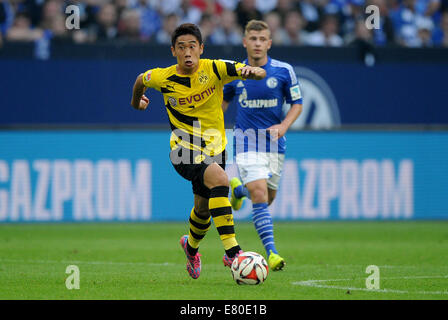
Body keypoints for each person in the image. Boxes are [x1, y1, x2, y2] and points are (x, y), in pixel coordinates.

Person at [130, 23, 266, 279]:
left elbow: (251, 70)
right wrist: (137, 102)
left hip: (216, 148)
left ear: (201, 48)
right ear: (173, 51)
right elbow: (140, 80)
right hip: (183, 147)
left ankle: (191, 249)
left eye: (192, 46)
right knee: (221, 180)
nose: (187, 52)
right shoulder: (163, 77)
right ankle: (233, 253)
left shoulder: (215, 68)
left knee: (203, 209)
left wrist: (254, 72)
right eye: (181, 47)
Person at [222, 20, 303, 271]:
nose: (257, 43)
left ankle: (238, 192)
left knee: (266, 198)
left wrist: (284, 126)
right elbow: (222, 103)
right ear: (245, 42)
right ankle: (272, 253)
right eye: (253, 39)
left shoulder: (283, 70)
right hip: (246, 140)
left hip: (275, 143)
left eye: (262, 39)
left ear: (269, 43)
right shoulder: (234, 73)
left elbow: (297, 104)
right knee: (259, 192)